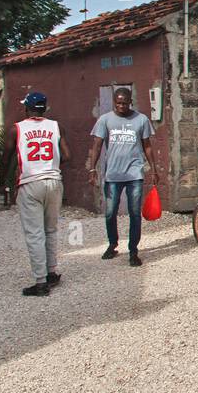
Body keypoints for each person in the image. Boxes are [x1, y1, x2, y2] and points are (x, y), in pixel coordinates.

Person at [1, 92, 71, 296]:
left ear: (27, 109)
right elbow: (67, 155)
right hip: (54, 181)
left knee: (34, 233)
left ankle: (41, 283)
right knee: (50, 229)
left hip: (30, 182)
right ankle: (51, 272)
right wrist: (50, 165)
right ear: (44, 108)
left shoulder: (17, 129)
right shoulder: (56, 126)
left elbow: (6, 158)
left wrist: (2, 182)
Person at [87, 87, 157, 266]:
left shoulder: (141, 120)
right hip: (113, 175)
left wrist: (154, 169)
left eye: (124, 103)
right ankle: (112, 244)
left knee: (134, 213)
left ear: (130, 102)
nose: (121, 106)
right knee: (110, 213)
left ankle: (133, 250)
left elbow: (147, 146)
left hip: (134, 173)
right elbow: (97, 145)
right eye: (118, 103)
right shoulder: (105, 120)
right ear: (114, 102)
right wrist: (92, 169)